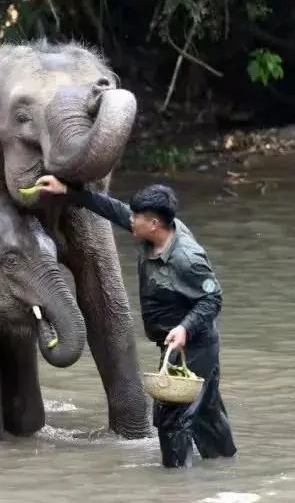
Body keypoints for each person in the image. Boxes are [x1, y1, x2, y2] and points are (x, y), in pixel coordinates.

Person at [30, 175, 237, 468]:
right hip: (175, 341)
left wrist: (184, 328)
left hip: (194, 345)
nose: (131, 221)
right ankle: (224, 467)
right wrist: (68, 192)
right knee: (206, 410)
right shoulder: (155, 234)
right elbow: (114, 210)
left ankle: (176, 487)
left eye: (137, 217)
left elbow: (212, 300)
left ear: (154, 223)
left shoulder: (187, 259)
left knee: (171, 418)